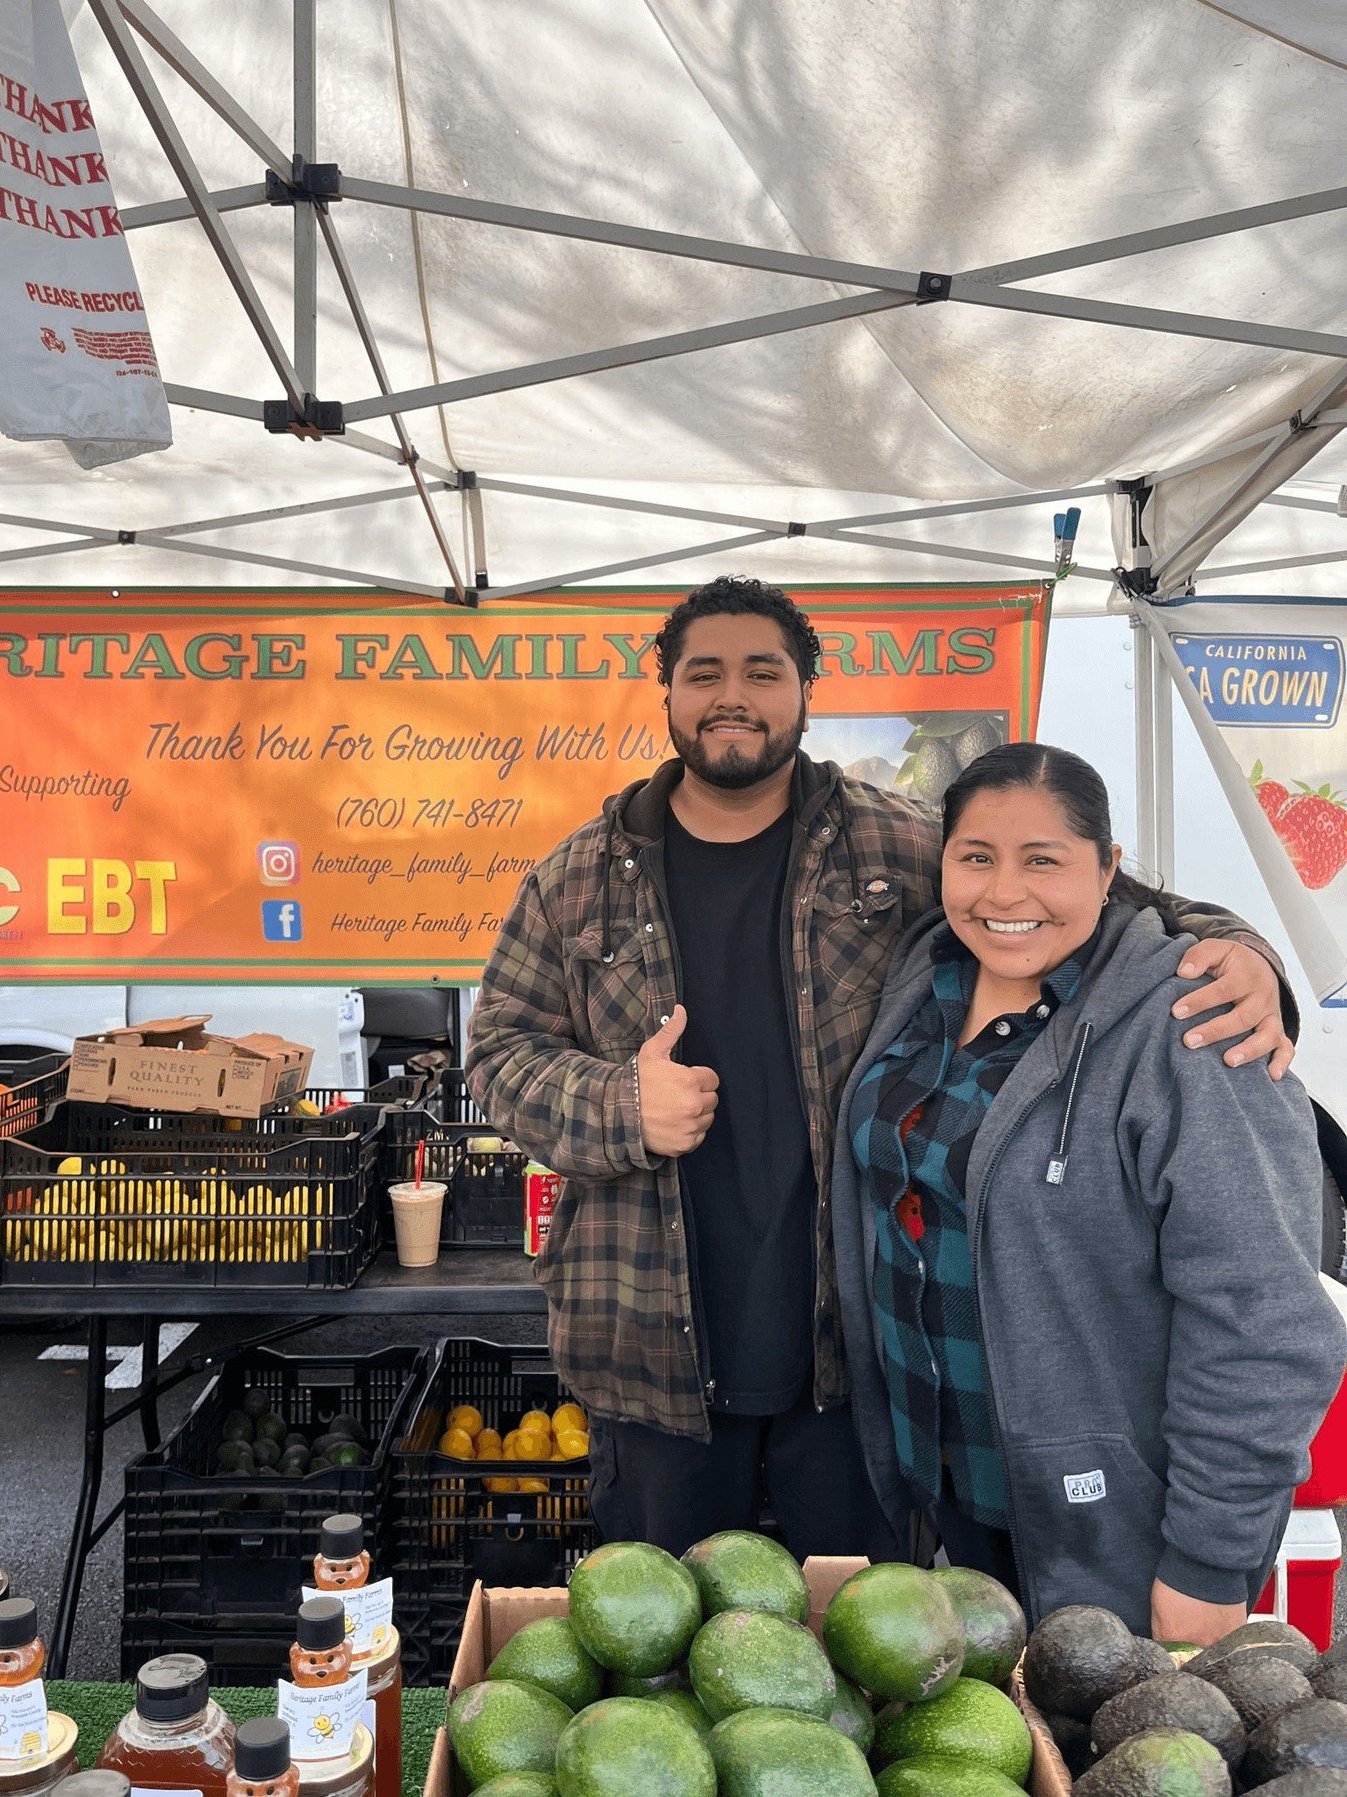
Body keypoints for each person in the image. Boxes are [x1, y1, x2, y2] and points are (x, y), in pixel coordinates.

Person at [465, 575, 1296, 1562]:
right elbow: (497, 1051)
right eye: (706, 672)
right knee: (662, 1651)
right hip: (647, 1354)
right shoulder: (572, 878)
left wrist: (1243, 950)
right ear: (669, 693)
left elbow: (1086, 894)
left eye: (763, 670)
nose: (734, 694)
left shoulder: (899, 843)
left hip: (856, 1354)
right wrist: (616, 1103)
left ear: (805, 691)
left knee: (871, 1649)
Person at [832, 742, 1346, 1643]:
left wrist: (1210, 1566)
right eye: (977, 857)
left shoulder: (1193, 1026)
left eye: (1044, 860)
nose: (1004, 893)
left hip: (1109, 1529)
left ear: (1109, 868)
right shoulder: (921, 983)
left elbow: (1265, 1319)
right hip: (940, 1491)